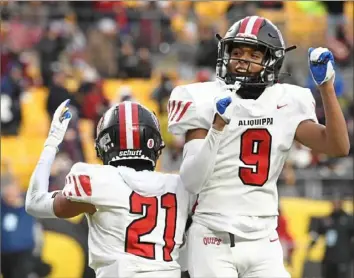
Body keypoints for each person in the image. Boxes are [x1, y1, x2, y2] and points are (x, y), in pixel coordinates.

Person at [167, 15, 350, 277]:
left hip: (265, 238)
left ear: (271, 60)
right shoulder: (204, 99)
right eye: (237, 52)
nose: (242, 60)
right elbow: (192, 180)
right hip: (213, 236)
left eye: (253, 54)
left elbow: (338, 146)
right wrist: (217, 128)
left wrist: (326, 87)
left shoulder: (287, 101)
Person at [26, 100, 195, 278]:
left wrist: (51, 143)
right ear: (155, 145)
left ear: (103, 145)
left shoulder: (95, 180)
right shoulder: (181, 185)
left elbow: (34, 202)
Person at [307, 198, 354, 278]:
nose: (335, 205)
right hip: (329, 258)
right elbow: (318, 233)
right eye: (334, 203)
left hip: (343, 257)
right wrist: (311, 245)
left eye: (337, 202)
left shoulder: (349, 219)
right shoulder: (327, 219)